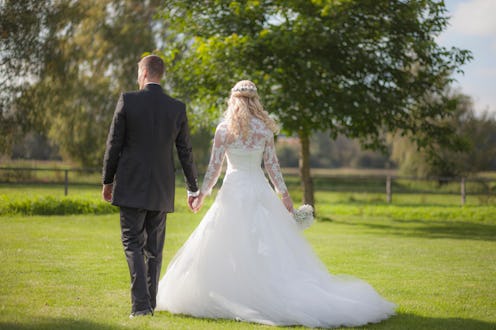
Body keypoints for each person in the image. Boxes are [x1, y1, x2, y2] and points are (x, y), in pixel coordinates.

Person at [155, 80, 396, 328]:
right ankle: (258, 291)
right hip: (259, 190)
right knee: (266, 244)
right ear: (255, 101)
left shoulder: (224, 130)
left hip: (233, 191)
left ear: (233, 101)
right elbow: (272, 166)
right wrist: (284, 195)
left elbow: (215, 169)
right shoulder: (264, 131)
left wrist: (202, 194)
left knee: (227, 243)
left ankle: (236, 293)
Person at [101, 55, 199, 319]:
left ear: (143, 74)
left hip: (131, 184)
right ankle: (149, 305)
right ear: (160, 74)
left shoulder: (128, 100)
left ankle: (141, 307)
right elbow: (185, 152)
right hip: (161, 188)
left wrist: (107, 181)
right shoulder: (177, 108)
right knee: (153, 250)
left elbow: (114, 145)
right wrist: (193, 188)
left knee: (132, 243)